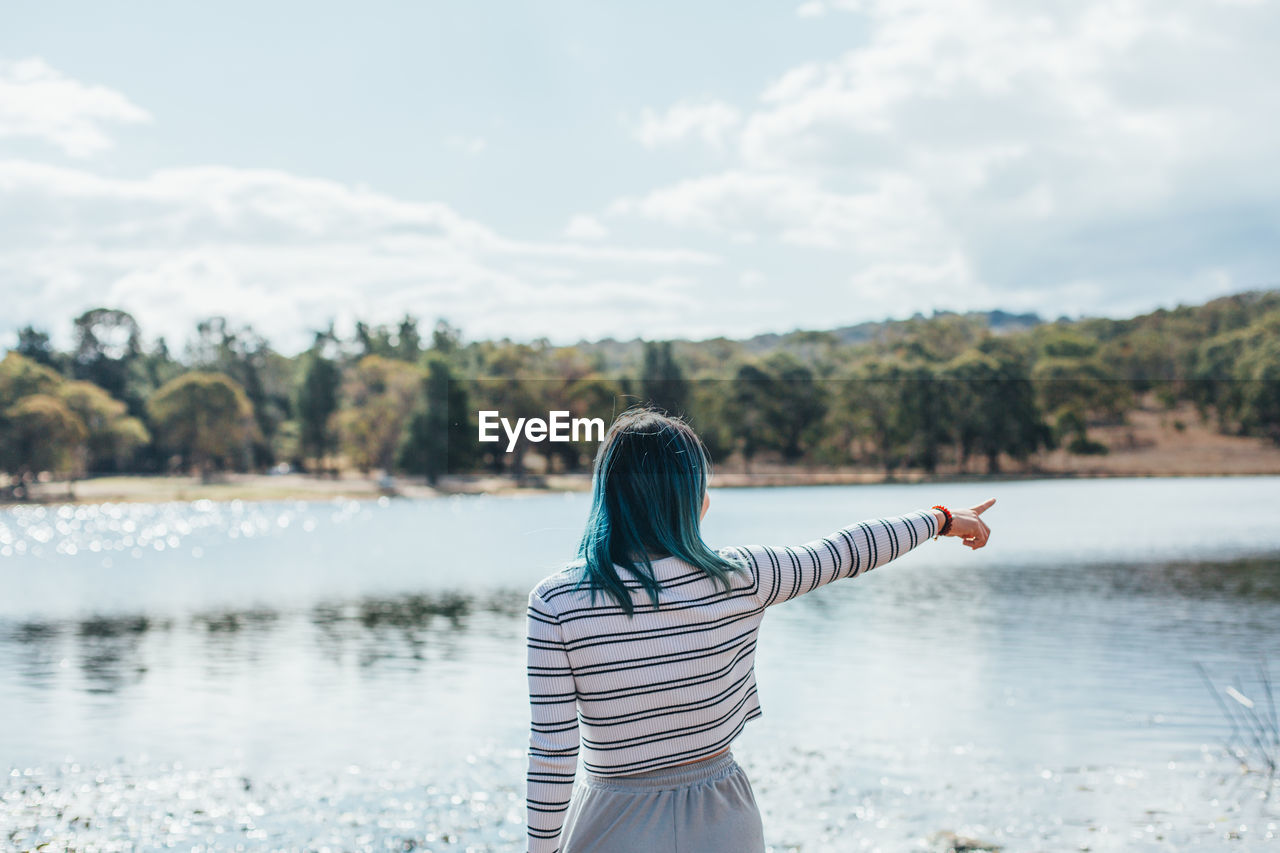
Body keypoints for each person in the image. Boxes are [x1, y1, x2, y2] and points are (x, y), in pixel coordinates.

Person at [525, 407, 994, 853]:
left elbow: (552, 756)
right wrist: (942, 519)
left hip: (615, 821)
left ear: (608, 492)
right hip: (722, 820)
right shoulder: (743, 576)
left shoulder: (559, 602)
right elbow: (847, 550)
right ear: (692, 497)